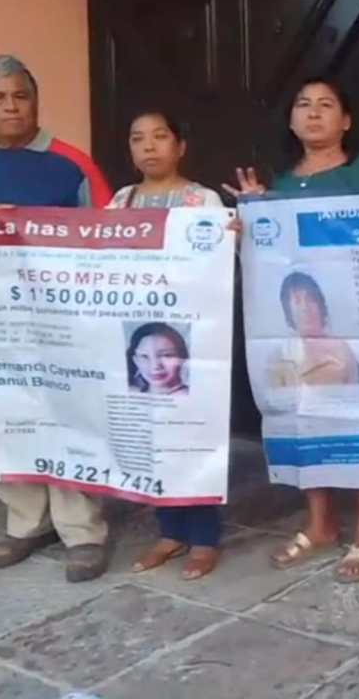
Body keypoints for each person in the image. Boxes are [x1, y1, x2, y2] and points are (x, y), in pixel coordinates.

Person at [0, 55, 112, 582]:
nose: (11, 107)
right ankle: (26, 519)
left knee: (64, 413)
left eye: (21, 96)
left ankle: (82, 528)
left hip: (53, 320)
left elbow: (107, 241)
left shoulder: (73, 166)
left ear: (36, 101)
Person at [225, 77, 359, 582]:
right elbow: (270, 267)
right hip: (299, 329)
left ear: (346, 120)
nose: (314, 113)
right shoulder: (278, 189)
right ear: (291, 120)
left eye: (327, 104)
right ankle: (321, 523)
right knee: (307, 417)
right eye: (303, 104)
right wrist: (253, 223)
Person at [107, 109, 225, 580]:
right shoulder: (119, 202)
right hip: (137, 339)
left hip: (189, 339)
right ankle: (169, 532)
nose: (149, 146)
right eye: (138, 138)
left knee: (193, 435)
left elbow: (219, 263)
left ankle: (204, 537)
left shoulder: (203, 201)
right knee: (150, 436)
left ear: (180, 146)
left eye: (160, 136)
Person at [270, 271, 359, 386]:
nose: (305, 307)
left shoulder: (343, 351)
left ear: (320, 304)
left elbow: (356, 397)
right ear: (288, 310)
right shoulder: (279, 358)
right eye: (297, 300)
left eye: (311, 299)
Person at [127, 322, 190, 396]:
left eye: (166, 355)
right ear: (136, 361)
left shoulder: (188, 396)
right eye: (144, 356)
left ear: (182, 358)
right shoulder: (132, 393)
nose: (155, 366)